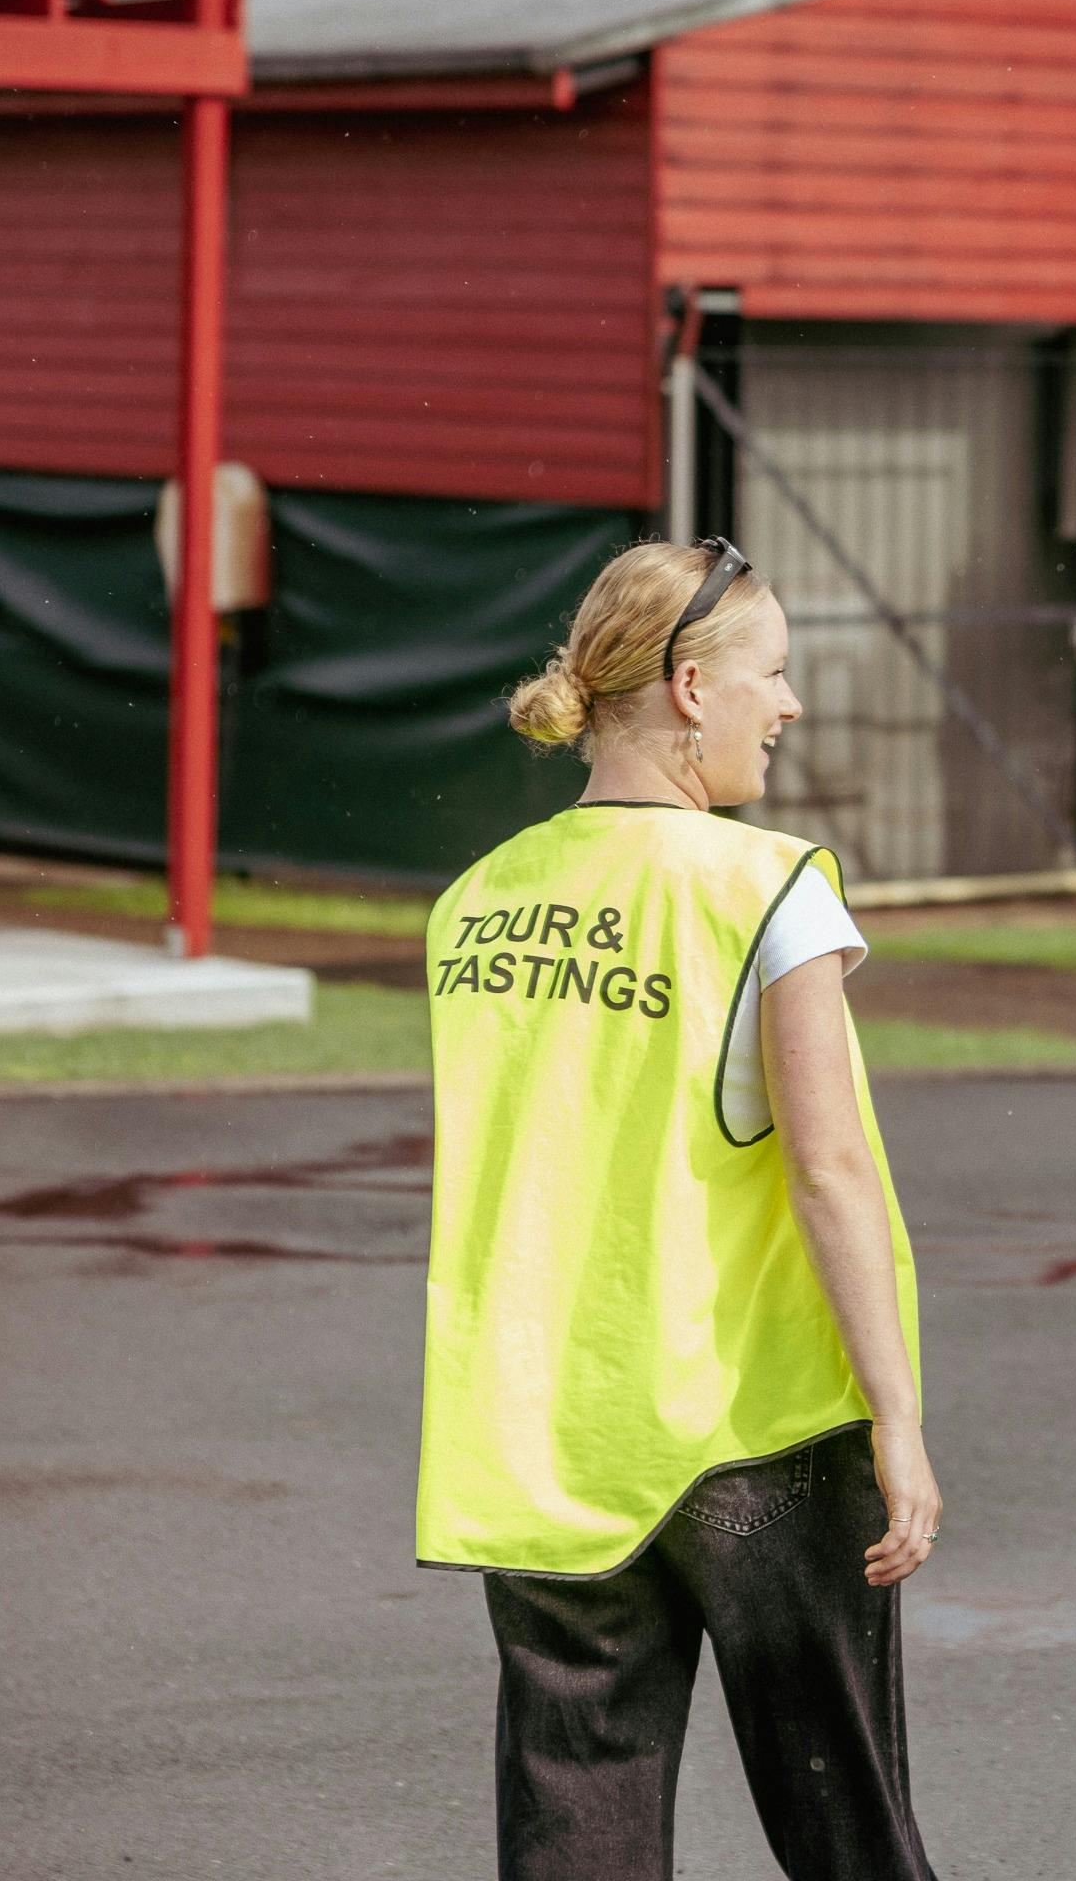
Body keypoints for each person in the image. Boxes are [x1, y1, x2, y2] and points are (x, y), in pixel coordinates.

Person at [420, 537, 942, 1881]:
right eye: (773, 674)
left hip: (546, 1435)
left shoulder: (475, 904)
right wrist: (897, 1418)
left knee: (574, 1838)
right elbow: (826, 1174)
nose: (791, 705)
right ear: (693, 688)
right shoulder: (764, 887)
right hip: (747, 1429)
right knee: (847, 1835)